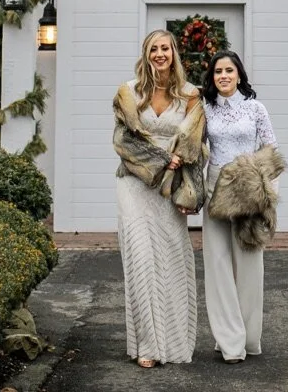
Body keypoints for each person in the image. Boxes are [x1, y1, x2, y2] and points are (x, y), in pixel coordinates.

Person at [112, 28, 207, 368]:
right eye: (154, 49)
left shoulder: (190, 95)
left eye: (165, 48)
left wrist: (187, 187)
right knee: (140, 259)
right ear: (146, 53)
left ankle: (174, 341)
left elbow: (196, 146)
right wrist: (163, 160)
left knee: (170, 259)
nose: (160, 54)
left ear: (173, 53)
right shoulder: (128, 93)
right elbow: (123, 143)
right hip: (135, 187)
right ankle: (147, 346)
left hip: (169, 191)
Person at [200, 49, 284, 364]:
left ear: (239, 75)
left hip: (248, 196)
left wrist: (267, 197)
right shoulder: (205, 110)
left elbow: (271, 150)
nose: (223, 76)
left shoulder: (256, 109)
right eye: (218, 71)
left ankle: (249, 339)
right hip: (215, 195)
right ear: (212, 77)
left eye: (229, 71)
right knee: (218, 267)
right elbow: (195, 148)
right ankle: (229, 342)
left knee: (250, 267)